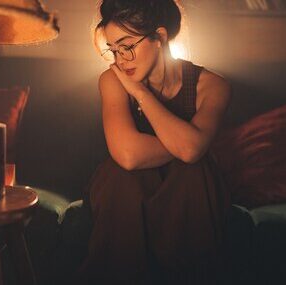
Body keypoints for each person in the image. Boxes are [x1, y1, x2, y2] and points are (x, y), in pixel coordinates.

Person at [75, 0, 232, 284]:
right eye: (113, 50)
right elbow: (128, 154)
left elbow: (193, 153)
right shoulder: (111, 80)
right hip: (128, 187)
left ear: (159, 37)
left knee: (193, 172)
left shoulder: (212, 85)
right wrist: (185, 143)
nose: (121, 60)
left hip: (190, 188)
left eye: (127, 46)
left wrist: (141, 94)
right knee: (121, 176)